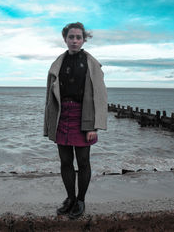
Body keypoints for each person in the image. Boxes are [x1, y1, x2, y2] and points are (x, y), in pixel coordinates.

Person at [44, 22, 107, 219]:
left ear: (83, 39)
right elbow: (50, 96)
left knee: (83, 162)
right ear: (65, 39)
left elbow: (100, 95)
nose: (74, 41)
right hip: (63, 114)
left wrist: (94, 126)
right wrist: (49, 123)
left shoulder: (91, 63)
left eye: (78, 37)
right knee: (65, 162)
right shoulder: (58, 62)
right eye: (71, 37)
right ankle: (70, 198)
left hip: (83, 115)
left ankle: (81, 200)